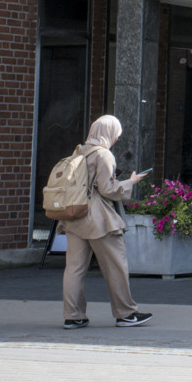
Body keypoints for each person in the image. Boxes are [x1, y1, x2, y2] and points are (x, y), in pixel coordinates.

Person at [60, 116, 153, 329]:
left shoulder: (79, 152)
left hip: (74, 216)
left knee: (74, 269)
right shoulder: (104, 155)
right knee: (116, 266)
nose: (117, 139)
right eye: (116, 135)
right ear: (109, 132)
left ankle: (73, 316)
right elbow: (108, 189)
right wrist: (130, 181)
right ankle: (126, 313)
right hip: (98, 219)